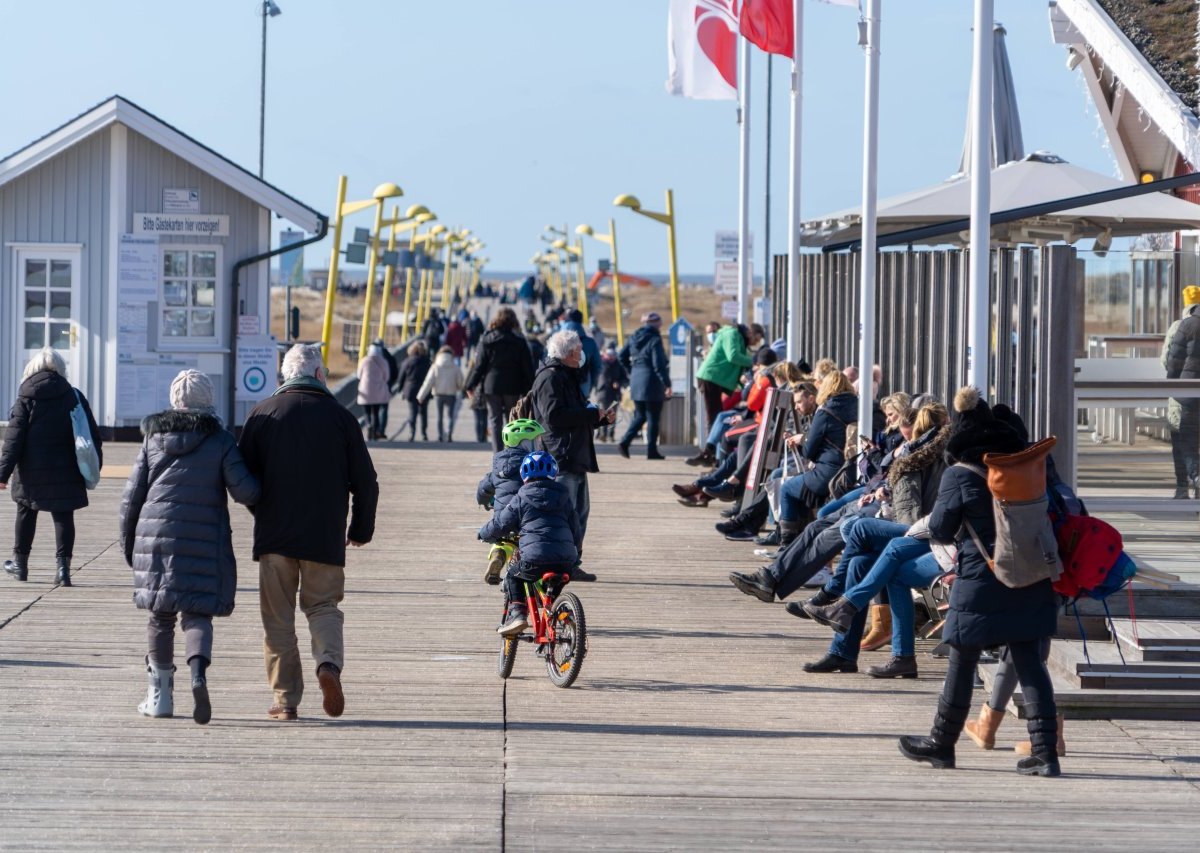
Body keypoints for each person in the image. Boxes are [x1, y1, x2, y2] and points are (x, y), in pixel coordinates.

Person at [898, 387, 1061, 777]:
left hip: (982, 578)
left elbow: (940, 527)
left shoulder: (960, 474)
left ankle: (941, 743)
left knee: (962, 658)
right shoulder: (1026, 469)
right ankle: (1045, 753)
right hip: (1030, 575)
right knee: (1031, 665)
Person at [238, 344, 379, 722]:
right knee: (323, 607)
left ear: (283, 377)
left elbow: (243, 479)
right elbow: (366, 481)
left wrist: (261, 510)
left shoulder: (261, 414)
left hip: (274, 537)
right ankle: (328, 665)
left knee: (278, 619)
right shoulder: (341, 418)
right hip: (324, 536)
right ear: (320, 375)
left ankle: (285, 701)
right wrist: (360, 529)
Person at [119, 370, 260, 724]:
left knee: (161, 615)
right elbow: (246, 491)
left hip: (156, 540)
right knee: (197, 613)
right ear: (208, 402)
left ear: (174, 401)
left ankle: (160, 697)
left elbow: (131, 498)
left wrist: (129, 544)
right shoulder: (221, 441)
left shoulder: (152, 439)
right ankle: (198, 675)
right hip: (203, 538)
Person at [0, 348, 101, 586]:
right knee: (64, 516)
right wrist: (95, 466)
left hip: (30, 469)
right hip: (67, 467)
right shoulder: (73, 395)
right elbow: (92, 434)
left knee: (26, 511)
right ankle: (63, 570)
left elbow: (13, 440)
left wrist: (3, 473)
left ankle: (21, 566)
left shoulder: (25, 398)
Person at [531, 329, 614, 579]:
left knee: (579, 513)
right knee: (564, 515)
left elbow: (574, 412)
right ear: (567, 354)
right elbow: (554, 416)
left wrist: (598, 419)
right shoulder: (550, 379)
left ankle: (571, 562)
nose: (581, 357)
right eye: (578, 352)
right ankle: (560, 565)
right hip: (560, 456)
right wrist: (590, 415)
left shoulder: (566, 376)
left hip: (574, 455)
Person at [478, 450, 581, 635]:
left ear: (524, 474)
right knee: (552, 590)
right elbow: (576, 529)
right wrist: (577, 554)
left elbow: (501, 523)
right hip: (566, 559)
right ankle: (560, 617)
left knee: (513, 576)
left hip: (535, 557)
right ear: (554, 473)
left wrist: (484, 533)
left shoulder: (521, 497)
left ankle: (517, 613)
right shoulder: (564, 496)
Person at [476, 418, 546, 583]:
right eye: (535, 441)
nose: (539, 444)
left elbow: (484, 488)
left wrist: (484, 500)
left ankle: (498, 554)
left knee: (503, 538)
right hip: (530, 517)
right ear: (524, 443)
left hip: (504, 518)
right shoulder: (534, 465)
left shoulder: (499, 466)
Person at [465, 307, 535, 452]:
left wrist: (470, 385)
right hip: (513, 386)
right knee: (512, 420)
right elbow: (527, 368)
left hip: (492, 386)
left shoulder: (487, 339)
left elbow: (480, 366)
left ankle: (498, 455)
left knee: (495, 420)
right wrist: (531, 389)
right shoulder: (520, 341)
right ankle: (511, 452)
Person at [694, 324, 753, 462]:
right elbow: (733, 356)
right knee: (714, 417)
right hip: (711, 377)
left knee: (716, 416)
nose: (751, 337)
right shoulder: (732, 334)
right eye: (750, 334)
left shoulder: (733, 336)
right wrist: (754, 361)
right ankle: (711, 455)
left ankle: (712, 454)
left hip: (715, 378)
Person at [618, 312, 671, 460]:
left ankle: (625, 442)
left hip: (636, 380)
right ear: (656, 324)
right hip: (652, 382)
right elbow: (658, 364)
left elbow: (621, 356)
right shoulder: (654, 339)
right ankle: (651, 451)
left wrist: (631, 371)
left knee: (641, 415)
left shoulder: (634, 337)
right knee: (653, 417)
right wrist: (667, 383)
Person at [1164, 285, 1200, 499]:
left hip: (1187, 394)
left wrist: (1172, 385)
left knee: (1184, 441)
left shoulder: (1185, 325)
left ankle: (1187, 484)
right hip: (1188, 393)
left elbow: (1172, 359)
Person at [417, 345, 465, 442]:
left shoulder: (435, 366)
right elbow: (460, 382)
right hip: (451, 394)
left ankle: (440, 435)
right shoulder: (455, 367)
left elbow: (428, 382)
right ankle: (449, 434)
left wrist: (421, 396)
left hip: (439, 394)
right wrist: (460, 389)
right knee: (450, 416)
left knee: (439, 416)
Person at [396, 340, 432, 442]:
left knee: (413, 412)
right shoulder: (427, 361)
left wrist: (400, 388)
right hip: (424, 390)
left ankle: (412, 433)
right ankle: (424, 433)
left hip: (411, 389)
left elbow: (401, 376)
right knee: (423, 412)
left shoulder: (408, 361)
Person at [560, 309, 601, 399]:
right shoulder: (590, 342)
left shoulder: (556, 340)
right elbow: (597, 367)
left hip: (560, 389)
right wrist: (590, 385)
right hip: (583, 388)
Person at [356, 342, 391, 441]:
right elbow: (387, 377)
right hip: (378, 390)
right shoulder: (383, 361)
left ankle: (368, 426)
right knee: (375, 412)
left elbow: (359, 375)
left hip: (365, 390)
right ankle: (375, 432)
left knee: (367, 412)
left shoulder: (364, 361)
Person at [596, 343, 628, 443]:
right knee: (602, 413)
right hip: (603, 392)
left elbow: (625, 378)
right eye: (609, 354)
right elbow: (594, 376)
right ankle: (602, 434)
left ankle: (610, 435)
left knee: (612, 415)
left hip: (615, 394)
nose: (611, 356)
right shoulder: (600, 362)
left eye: (613, 354)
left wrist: (619, 383)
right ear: (605, 353)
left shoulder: (618, 364)